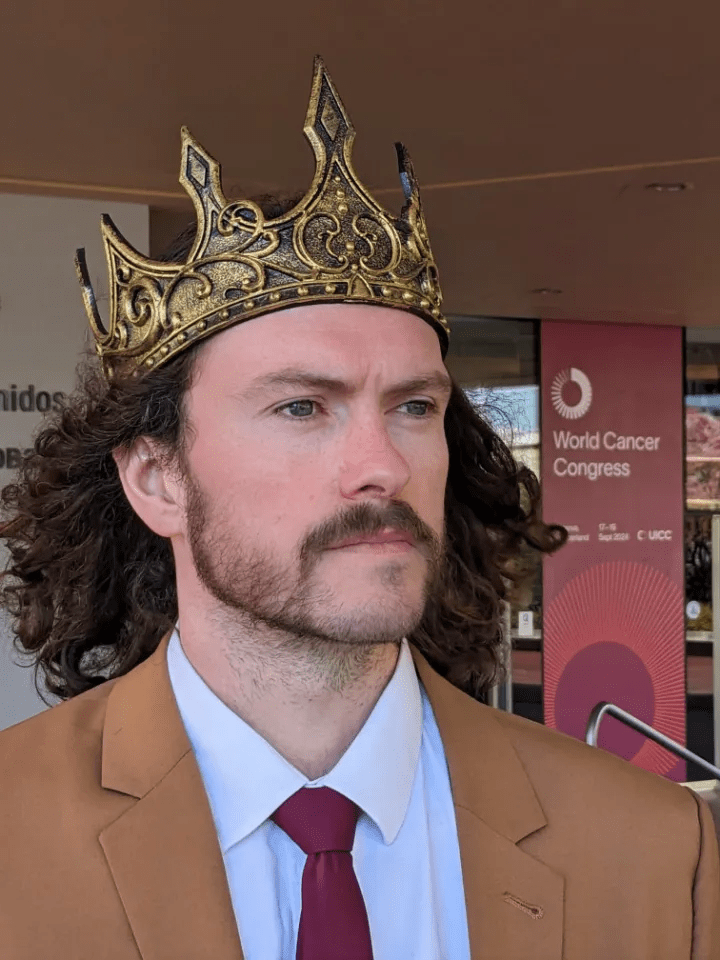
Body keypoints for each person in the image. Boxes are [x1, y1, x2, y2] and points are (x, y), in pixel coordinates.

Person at [0, 57, 717, 960]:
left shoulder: (652, 850)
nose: (381, 465)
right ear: (157, 480)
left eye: (414, 407)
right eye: (302, 407)